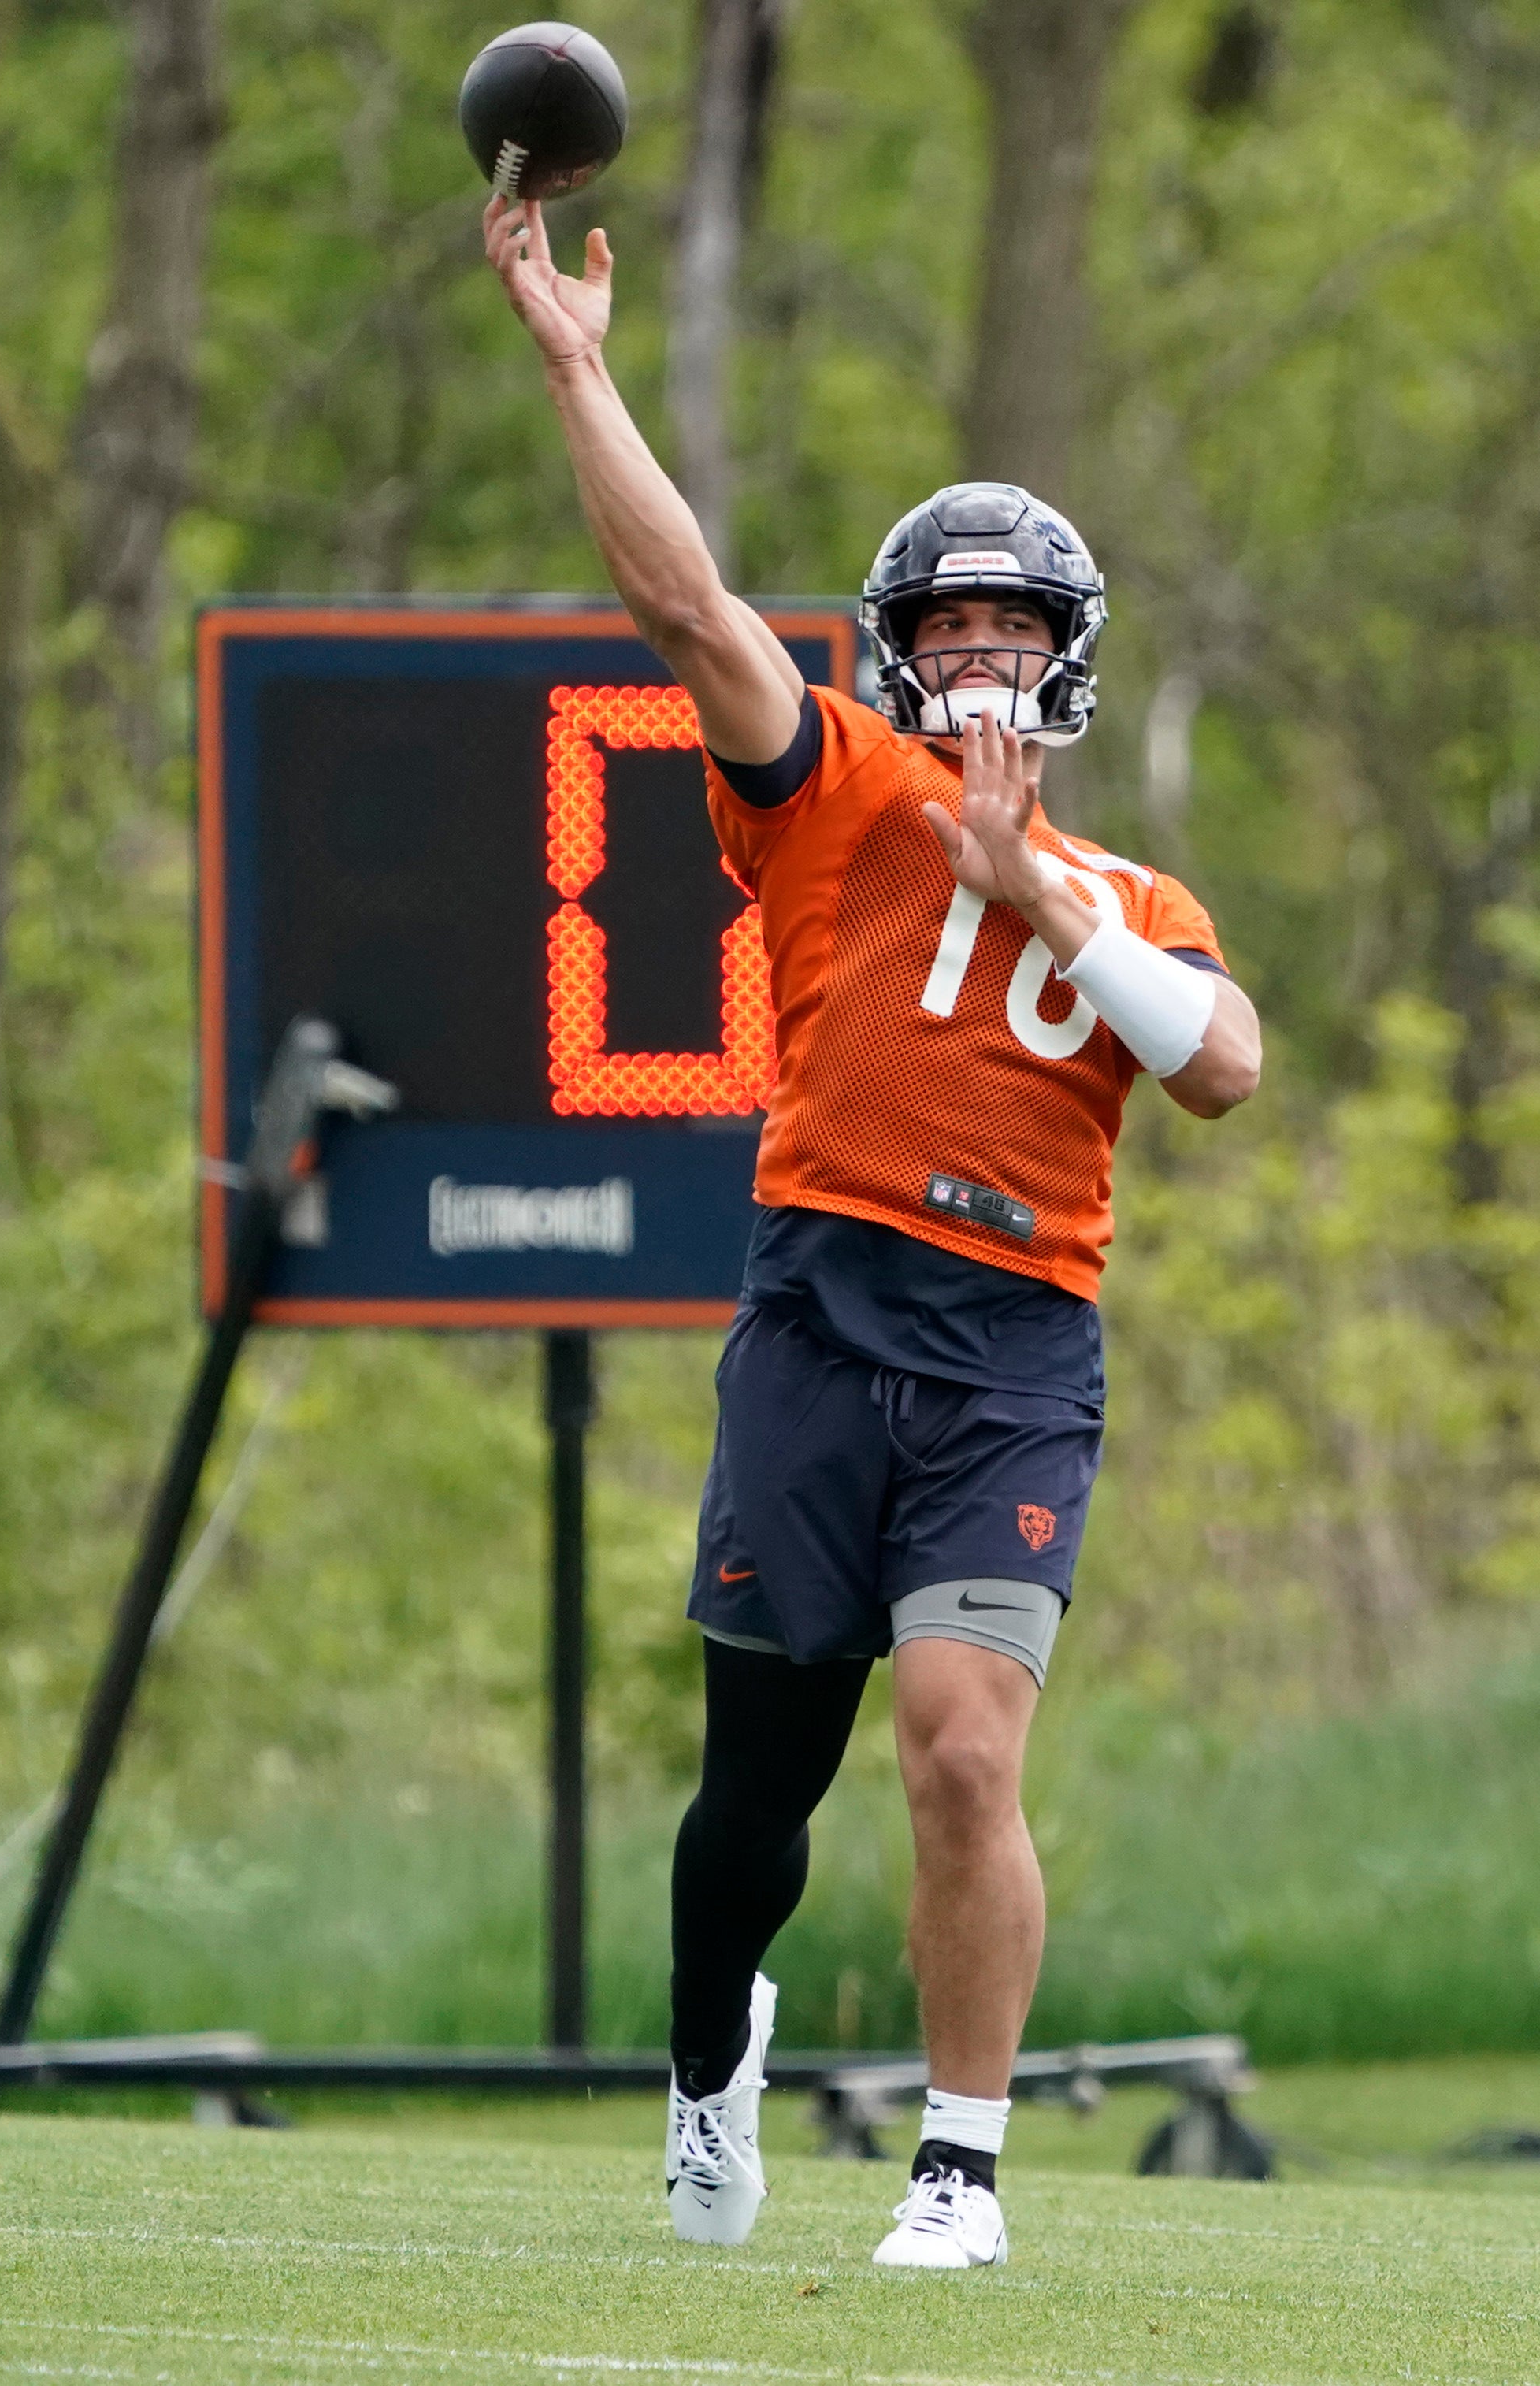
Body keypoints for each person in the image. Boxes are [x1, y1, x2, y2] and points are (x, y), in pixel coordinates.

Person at [486, 192, 1262, 2271]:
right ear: (900, 653)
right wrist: (578, 363)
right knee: (755, 1806)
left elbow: (1225, 1066)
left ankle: (960, 2167)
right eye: (951, 632)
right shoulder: (830, 787)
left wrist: (1041, 897)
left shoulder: (1134, 898)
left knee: (955, 1748)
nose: (980, 661)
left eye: (1014, 635)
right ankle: (707, 2054)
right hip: (822, 1318)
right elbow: (685, 614)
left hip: (1014, 1356)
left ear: (1069, 662)